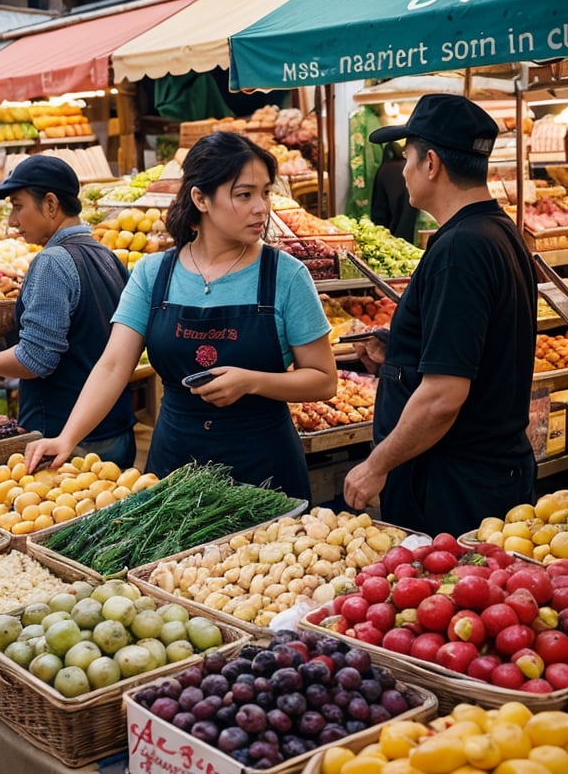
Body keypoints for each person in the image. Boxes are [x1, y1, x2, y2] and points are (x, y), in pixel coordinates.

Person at [24, 131, 337, 500]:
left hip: (263, 468)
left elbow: (323, 380)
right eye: (244, 194)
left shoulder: (285, 275)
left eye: (266, 192)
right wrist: (67, 436)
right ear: (200, 199)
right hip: (175, 466)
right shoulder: (154, 273)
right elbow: (112, 366)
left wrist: (251, 381)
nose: (261, 207)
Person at [343, 94, 538, 536]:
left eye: (408, 157)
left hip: (456, 487)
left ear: (431, 163)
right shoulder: (498, 231)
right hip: (486, 475)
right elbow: (483, 350)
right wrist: (399, 357)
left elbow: (444, 395)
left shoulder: (461, 249)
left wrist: (377, 464)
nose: (404, 169)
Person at [0, 155, 137, 467]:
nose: (12, 220)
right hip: (115, 430)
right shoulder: (109, 257)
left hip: (62, 441)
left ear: (51, 205)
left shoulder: (52, 262)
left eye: (18, 205)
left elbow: (35, 360)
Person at [371, 141, 419, 242]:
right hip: (415, 235)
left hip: (393, 239)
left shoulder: (384, 171)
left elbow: (379, 213)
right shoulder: (410, 169)